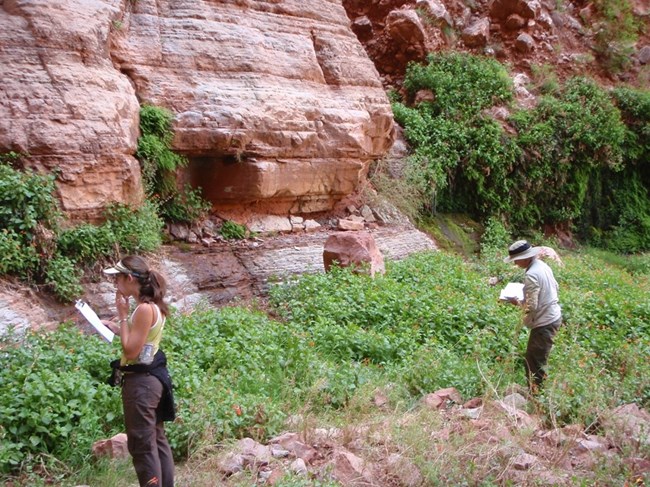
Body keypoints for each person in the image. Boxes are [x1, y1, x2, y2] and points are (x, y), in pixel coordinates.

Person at [103, 256, 175, 487]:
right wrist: (118, 327)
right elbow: (140, 339)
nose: (116, 283)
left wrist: (122, 315)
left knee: (142, 445)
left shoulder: (143, 309)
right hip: (152, 381)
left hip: (142, 384)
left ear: (130, 278)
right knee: (156, 439)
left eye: (117, 278)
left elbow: (131, 350)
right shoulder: (152, 306)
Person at [504, 240, 562, 392]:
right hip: (553, 316)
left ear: (525, 258)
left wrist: (517, 303)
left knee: (534, 361)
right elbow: (556, 287)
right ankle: (538, 393)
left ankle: (538, 396)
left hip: (545, 322)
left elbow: (532, 306)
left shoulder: (531, 274)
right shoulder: (543, 266)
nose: (515, 264)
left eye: (516, 260)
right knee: (537, 357)